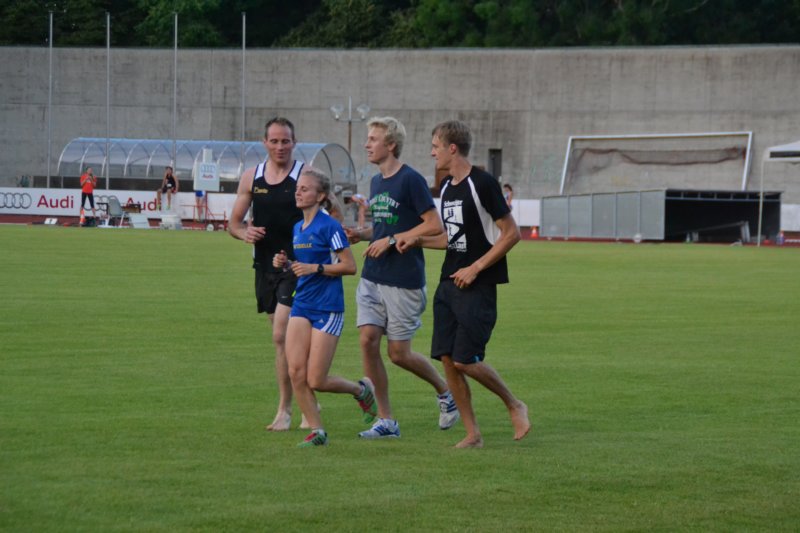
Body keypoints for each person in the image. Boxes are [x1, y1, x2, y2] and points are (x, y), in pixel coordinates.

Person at [403, 120, 530, 449]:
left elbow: (511, 233)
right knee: (448, 359)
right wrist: (417, 241)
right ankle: (473, 434)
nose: (432, 152)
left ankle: (514, 404)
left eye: (435, 146)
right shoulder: (446, 187)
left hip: (478, 285)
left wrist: (475, 268)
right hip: (448, 284)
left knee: (465, 359)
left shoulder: (482, 183)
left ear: (452, 148)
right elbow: (452, 237)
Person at [345, 116, 458, 439]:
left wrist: (393, 240)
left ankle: (445, 392)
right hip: (372, 276)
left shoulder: (410, 180)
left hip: (403, 280)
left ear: (391, 145)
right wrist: (363, 234)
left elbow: (433, 225)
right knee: (367, 340)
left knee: (398, 354)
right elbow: (385, 228)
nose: (367, 144)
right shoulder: (376, 182)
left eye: (373, 139)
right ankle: (386, 421)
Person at [272, 167, 377, 447]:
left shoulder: (330, 226)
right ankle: (317, 432)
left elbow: (349, 266)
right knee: (296, 372)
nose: (298, 192)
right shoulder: (298, 228)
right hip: (302, 304)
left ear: (320, 196)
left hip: (328, 308)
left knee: (316, 379)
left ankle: (361, 390)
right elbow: (304, 265)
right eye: (298, 188)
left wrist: (316, 268)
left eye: (304, 189)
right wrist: (285, 263)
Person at [229, 117, 311, 431]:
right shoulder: (252, 177)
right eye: (274, 141)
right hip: (265, 268)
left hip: (297, 267)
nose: (280, 147)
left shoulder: (306, 175)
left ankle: (293, 409)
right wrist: (244, 233)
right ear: (264, 143)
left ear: (294, 142)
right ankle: (293, 407)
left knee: (281, 334)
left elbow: (332, 212)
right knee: (283, 342)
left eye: (285, 141)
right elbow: (234, 224)